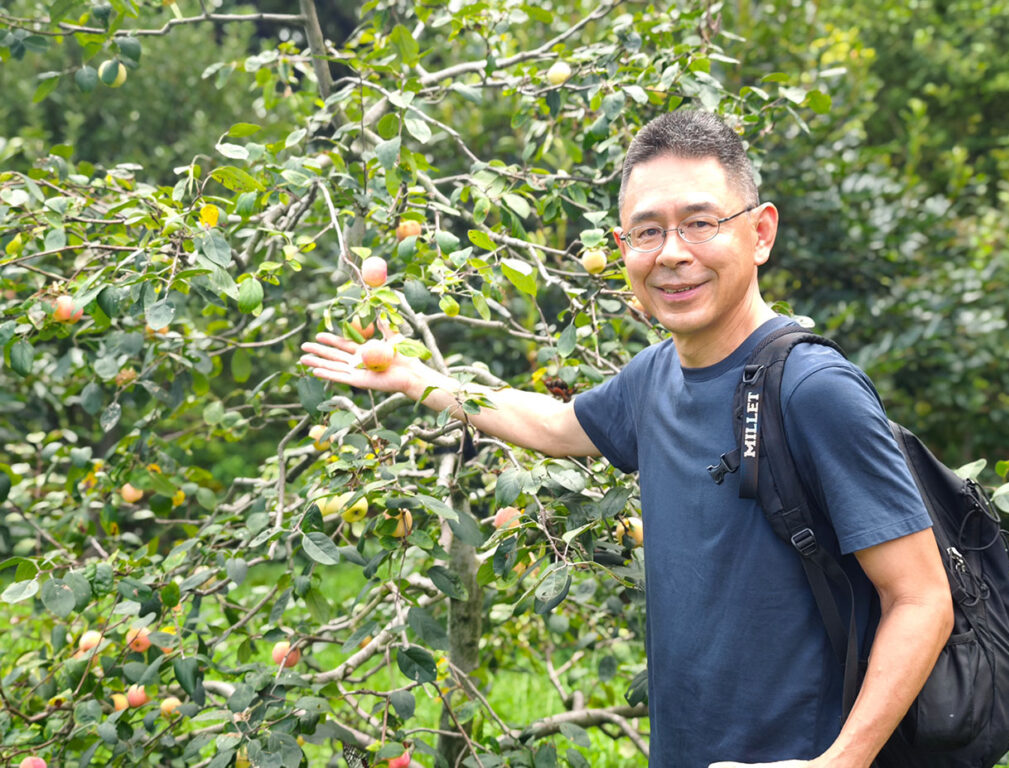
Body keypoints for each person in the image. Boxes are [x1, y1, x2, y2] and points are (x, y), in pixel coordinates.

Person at [300, 109, 954, 768]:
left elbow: (922, 598)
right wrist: (417, 378)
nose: (672, 253)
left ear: (760, 233)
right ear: (622, 248)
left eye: (700, 223)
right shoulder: (655, 376)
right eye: (648, 231)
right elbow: (554, 425)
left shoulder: (814, 390)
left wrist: (841, 762)